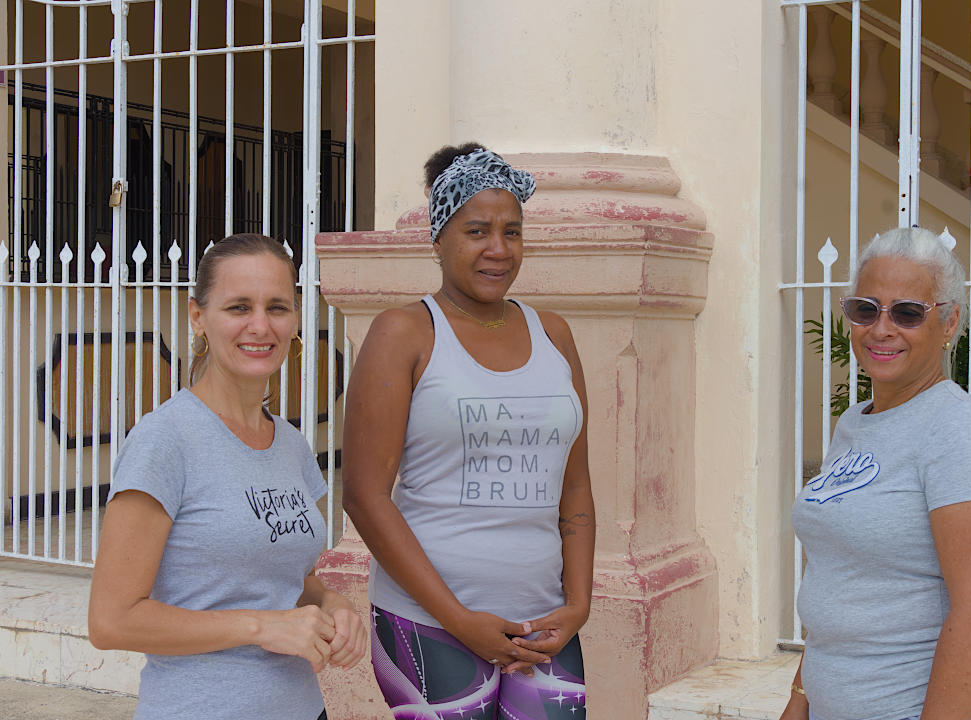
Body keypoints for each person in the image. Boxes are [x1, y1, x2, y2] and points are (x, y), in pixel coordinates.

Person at [342, 144, 595, 719]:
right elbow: (363, 494)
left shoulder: (553, 334)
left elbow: (574, 489)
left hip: (543, 621)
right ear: (438, 237)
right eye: (476, 230)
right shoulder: (403, 332)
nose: (498, 250)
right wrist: (460, 621)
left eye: (513, 231)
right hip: (429, 622)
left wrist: (577, 606)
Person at [88, 233, 366, 720]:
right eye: (239, 307)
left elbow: (280, 577)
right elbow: (112, 622)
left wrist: (332, 601)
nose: (260, 326)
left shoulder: (291, 445)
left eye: (277, 307)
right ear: (198, 318)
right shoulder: (165, 441)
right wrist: (262, 627)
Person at [782, 227, 971, 720]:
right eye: (866, 309)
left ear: (950, 322)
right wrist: (800, 697)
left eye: (908, 312)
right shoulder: (855, 422)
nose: (882, 328)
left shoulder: (958, 431)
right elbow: (839, 575)